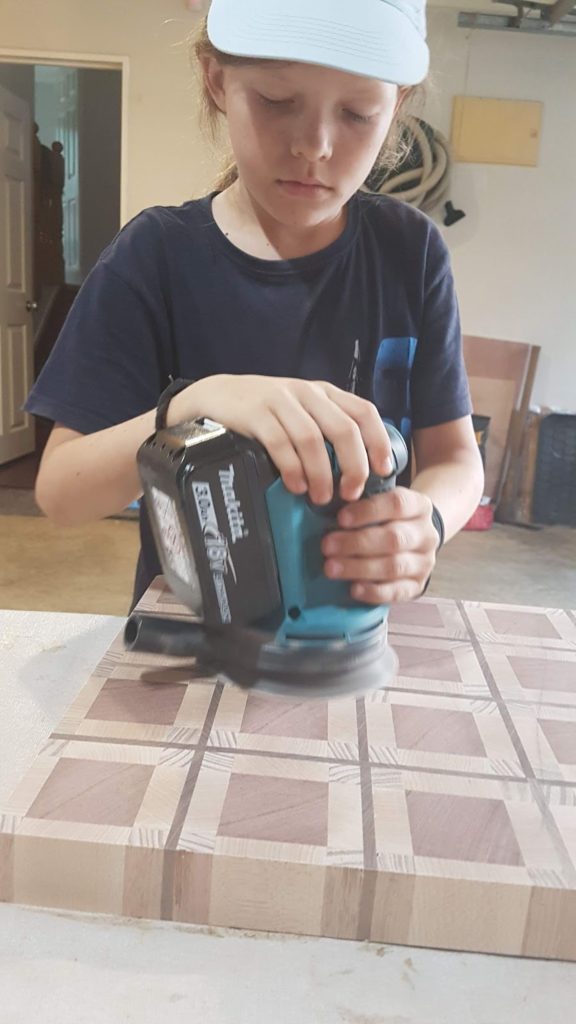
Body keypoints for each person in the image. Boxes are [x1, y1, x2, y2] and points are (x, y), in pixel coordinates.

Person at [24, 0, 484, 613]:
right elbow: (62, 493)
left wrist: (425, 521)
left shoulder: (411, 251)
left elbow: (456, 460)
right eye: (275, 100)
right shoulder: (155, 256)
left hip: (347, 626)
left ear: (395, 107)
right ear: (216, 79)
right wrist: (190, 405)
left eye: (357, 113)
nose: (315, 146)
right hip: (199, 631)